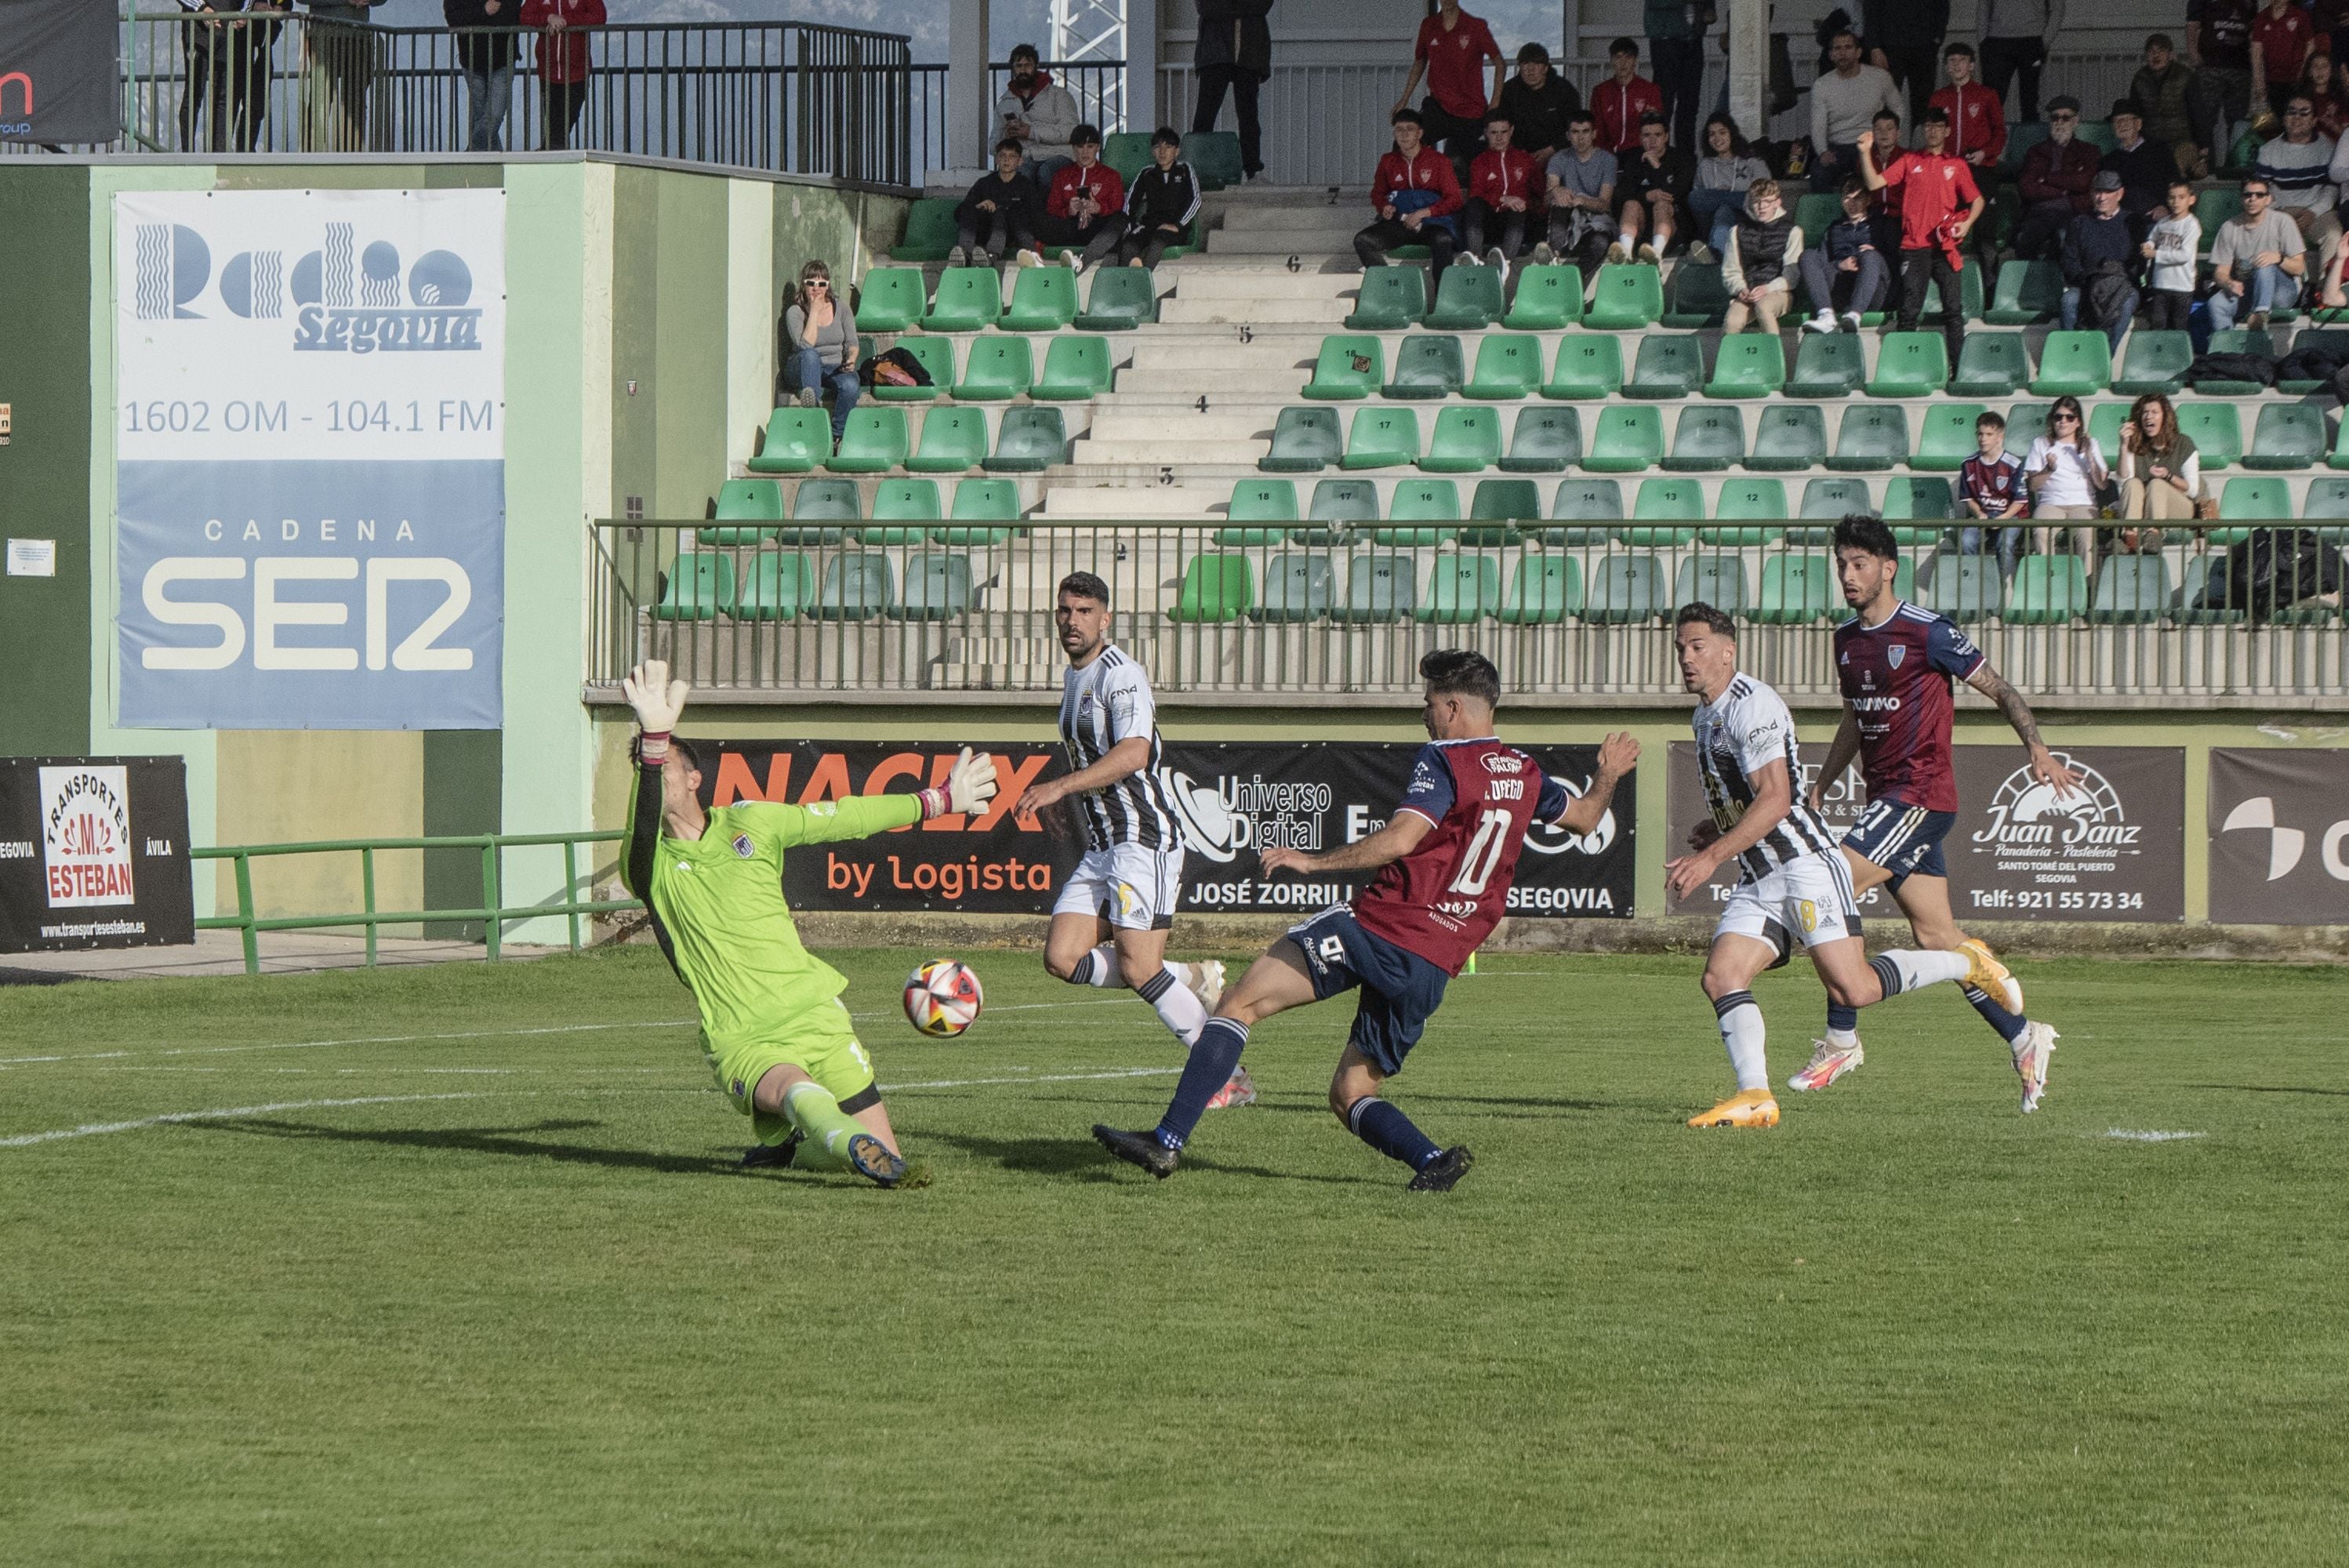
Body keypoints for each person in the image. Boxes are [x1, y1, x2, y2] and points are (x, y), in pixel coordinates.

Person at [1089, 649, 1638, 1187]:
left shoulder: (1445, 760)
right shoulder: (1524, 772)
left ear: (1451, 708)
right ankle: (1432, 1160)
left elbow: (1401, 840)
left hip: (1380, 929)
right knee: (1350, 1094)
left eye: (1427, 703)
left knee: (1238, 1004)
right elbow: (1588, 818)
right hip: (1433, 965)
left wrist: (1313, 861)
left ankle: (1167, 1142)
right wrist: (1608, 773)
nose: (1423, 715)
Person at [618, 659, 1000, 1188]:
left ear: (695, 777)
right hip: (742, 1033)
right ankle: (830, 1138)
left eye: (662, 766)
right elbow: (641, 826)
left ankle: (798, 1152)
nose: (652, 776)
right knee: (796, 1090)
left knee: (883, 1148)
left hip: (814, 1012)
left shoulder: (751, 821)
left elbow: (844, 816)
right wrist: (653, 742)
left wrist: (938, 800)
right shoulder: (649, 865)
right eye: (644, 772)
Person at [1666, 603, 2028, 1131]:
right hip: (1761, 874)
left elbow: (1776, 801)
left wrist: (1709, 858)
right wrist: (1716, 830)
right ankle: (1755, 1096)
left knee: (1855, 990)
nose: (1687, 658)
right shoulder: (1706, 715)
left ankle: (1964, 964)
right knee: (1722, 977)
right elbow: (1752, 803)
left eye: (1697, 647)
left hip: (1805, 865)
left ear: (1728, 651)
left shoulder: (1753, 704)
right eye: (1681, 648)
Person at [1794, 516, 2071, 1114]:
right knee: (1938, 937)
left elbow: (2001, 689)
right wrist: (1822, 782)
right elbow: (1854, 717)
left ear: (1888, 569)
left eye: (1860, 564)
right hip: (1886, 802)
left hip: (1920, 798)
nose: (1848, 575)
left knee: (1828, 886)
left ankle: (1842, 1039)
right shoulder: (1846, 640)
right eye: (1841, 564)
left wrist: (2037, 748)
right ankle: (2024, 1037)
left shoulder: (1927, 632)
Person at [1015, 573, 1251, 1113]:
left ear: (1106, 618)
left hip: (1143, 840)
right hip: (1103, 845)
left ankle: (1229, 1076)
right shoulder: (1076, 678)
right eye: (1065, 610)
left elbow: (1134, 754)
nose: (1072, 620)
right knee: (1062, 956)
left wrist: (1060, 786)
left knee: (1141, 966)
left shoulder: (1121, 676)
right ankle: (1194, 977)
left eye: (1085, 610)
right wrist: (1066, 800)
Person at [1858, 109, 1984, 365]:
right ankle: (1904, 366)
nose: (1933, 131)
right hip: (1914, 247)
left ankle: (1957, 369)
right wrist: (1863, 153)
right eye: (1928, 126)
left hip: (1945, 247)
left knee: (1953, 311)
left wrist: (1968, 223)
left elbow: (1978, 200)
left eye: (1938, 126)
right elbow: (1873, 184)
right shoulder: (1909, 160)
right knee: (1909, 311)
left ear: (1948, 131)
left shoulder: (1957, 165)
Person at [1394, 0, 1505, 165]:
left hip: (1470, 109)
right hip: (1438, 106)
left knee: (1478, 163)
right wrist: (1404, 98)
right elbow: (1420, 61)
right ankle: (1404, 188)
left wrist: (1494, 103)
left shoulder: (1475, 26)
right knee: (1405, 141)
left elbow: (1500, 63)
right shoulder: (1429, 25)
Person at [1357, 109, 1462, 275]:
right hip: (1401, 223)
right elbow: (1378, 194)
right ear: (1394, 133)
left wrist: (1424, 213)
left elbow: (1455, 199)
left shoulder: (1439, 161)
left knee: (1443, 240)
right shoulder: (1388, 161)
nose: (1404, 134)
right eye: (1399, 129)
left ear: (1420, 133)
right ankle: (1390, 285)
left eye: (1410, 129)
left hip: (1431, 223)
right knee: (1363, 240)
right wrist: (1384, 206)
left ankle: (1442, 294)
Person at [2206, 174, 2307, 328]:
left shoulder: (2283, 221)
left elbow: (2299, 268)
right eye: (2248, 195)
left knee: (2264, 264)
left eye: (2259, 195)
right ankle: (2225, 349)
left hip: (2283, 291)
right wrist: (2229, 284)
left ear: (2268, 199)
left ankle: (2260, 314)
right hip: (2248, 289)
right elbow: (2221, 273)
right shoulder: (2229, 227)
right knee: (2216, 303)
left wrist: (2278, 258)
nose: (2252, 199)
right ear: (2242, 198)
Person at [2259, 96, 2342, 279]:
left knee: (2334, 235)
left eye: (2304, 113)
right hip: (2280, 210)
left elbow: (2332, 189)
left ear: (2314, 121)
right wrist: (2279, 213)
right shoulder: (2268, 150)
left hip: (2317, 211)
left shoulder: (2327, 147)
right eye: (2292, 112)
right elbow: (2260, 191)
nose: (2297, 118)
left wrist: (2313, 212)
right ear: (2284, 118)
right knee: (2262, 229)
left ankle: (2323, 291)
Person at [2023, 395, 2110, 568]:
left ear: (2078, 422)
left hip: (2084, 504)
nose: (2063, 422)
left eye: (2070, 417)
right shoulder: (2041, 443)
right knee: (2040, 531)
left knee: (2087, 534)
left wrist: (2090, 457)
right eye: (2058, 417)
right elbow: (2033, 486)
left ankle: (2087, 588)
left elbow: (2102, 484)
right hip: (2051, 504)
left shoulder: (2091, 443)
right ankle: (2046, 583)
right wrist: (2049, 468)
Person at [1798, 174, 1893, 332]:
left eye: (1858, 198)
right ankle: (1826, 315)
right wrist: (1839, 265)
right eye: (1847, 199)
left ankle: (1854, 316)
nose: (1852, 204)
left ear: (1868, 200)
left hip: (1873, 290)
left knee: (1870, 256)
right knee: (1808, 255)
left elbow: (1894, 261)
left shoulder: (1882, 224)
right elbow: (1822, 263)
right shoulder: (1835, 228)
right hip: (1841, 288)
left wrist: (1875, 255)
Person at [2060, 171, 2144, 351]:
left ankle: (2103, 357)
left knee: (2126, 303)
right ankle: (2071, 353)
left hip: (2122, 285)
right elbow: (2069, 259)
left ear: (2120, 194)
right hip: (2087, 284)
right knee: (2069, 300)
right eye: (2097, 192)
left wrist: (2117, 281)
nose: (2101, 197)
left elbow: (2138, 263)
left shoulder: (2133, 222)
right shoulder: (2080, 222)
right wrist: (2088, 281)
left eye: (2107, 192)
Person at [1191, 0, 1273, 182]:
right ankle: (1196, 169)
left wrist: (1227, 6)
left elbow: (1263, 6)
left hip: (1248, 54)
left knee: (1248, 115)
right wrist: (1243, 8)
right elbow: (1206, 7)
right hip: (1216, 54)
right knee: (1206, 114)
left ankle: (1253, 169)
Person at [2013, 96, 2100, 260]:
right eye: (2055, 118)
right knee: (2025, 240)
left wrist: (2045, 178)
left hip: (2073, 212)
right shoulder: (2036, 152)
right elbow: (2027, 188)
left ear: (2075, 122)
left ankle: (2064, 284)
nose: (2059, 122)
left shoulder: (2088, 151)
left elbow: (2083, 183)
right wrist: (2066, 190)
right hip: (2040, 212)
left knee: (2065, 239)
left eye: (2065, 118)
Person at [1030, 124, 1125, 272]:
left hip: (1094, 229)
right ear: (1073, 149)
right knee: (1030, 213)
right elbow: (1052, 208)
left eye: (1090, 146)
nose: (1085, 152)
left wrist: (1098, 208)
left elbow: (1117, 206)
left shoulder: (1111, 176)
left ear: (1098, 148)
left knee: (1121, 219)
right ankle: (1033, 254)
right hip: (1068, 228)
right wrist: (1068, 211)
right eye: (1080, 147)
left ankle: (1082, 260)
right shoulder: (1062, 175)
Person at [783, 260, 859, 445]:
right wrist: (814, 312)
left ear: (828, 285)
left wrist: (851, 359)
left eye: (821, 284)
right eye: (811, 283)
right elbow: (805, 345)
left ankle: (835, 437)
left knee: (850, 385)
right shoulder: (795, 312)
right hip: (802, 367)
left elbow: (852, 342)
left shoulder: (841, 308)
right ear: (804, 285)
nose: (816, 289)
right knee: (811, 355)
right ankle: (815, 411)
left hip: (834, 367)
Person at [1811, 28, 1904, 180]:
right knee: (1818, 172)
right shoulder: (1822, 85)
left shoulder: (1880, 78)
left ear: (1858, 52)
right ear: (1831, 55)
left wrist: (1890, 138)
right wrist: (1823, 152)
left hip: (1873, 146)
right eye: (1838, 48)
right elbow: (1818, 125)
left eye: (1848, 47)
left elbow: (1897, 107)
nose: (1843, 53)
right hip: (1838, 147)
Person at [1535, 111, 1618, 274]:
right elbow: (1546, 201)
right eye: (1575, 132)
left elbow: (1604, 204)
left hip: (1596, 221)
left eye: (1585, 132)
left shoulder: (1608, 160)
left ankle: (1575, 280)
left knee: (1600, 243)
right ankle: (1553, 256)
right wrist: (1556, 192)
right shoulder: (1558, 158)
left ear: (1594, 134)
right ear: (1568, 135)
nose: (1580, 138)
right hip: (1566, 219)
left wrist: (1582, 200)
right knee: (1560, 200)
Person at [1111, 127, 1206, 270]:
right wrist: (1129, 227)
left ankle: (1142, 282)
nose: (1162, 152)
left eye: (1168, 147)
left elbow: (1196, 200)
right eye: (1157, 147)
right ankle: (1124, 285)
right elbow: (1130, 203)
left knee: (1157, 242)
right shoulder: (1146, 173)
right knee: (1129, 245)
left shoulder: (1185, 169)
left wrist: (1178, 225)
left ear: (1177, 151)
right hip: (1149, 225)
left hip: (1175, 228)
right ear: (1152, 151)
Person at [1460, 110, 1541, 274]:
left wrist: (1523, 203)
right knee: (1475, 204)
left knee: (1518, 208)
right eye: (1494, 133)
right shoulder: (1479, 162)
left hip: (1519, 222)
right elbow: (1476, 194)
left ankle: (1504, 264)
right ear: (1486, 134)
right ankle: (1475, 260)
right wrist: (1503, 198)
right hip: (1491, 221)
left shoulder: (1525, 160)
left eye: (1504, 132)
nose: (1499, 137)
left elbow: (1539, 194)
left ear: (1511, 131)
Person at [1721, 177, 1804, 332]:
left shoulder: (1793, 231)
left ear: (1777, 203)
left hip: (1778, 292)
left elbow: (1792, 275)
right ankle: (1730, 356)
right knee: (1732, 321)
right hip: (1749, 293)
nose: (1762, 207)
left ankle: (1773, 355)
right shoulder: (1737, 231)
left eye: (1767, 201)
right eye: (1757, 201)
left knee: (1764, 308)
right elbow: (1730, 270)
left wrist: (1768, 288)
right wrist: (1741, 289)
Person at [1686, 111, 1771, 263]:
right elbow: (1699, 202)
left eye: (1722, 132)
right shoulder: (1705, 166)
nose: (1717, 138)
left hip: (1747, 222)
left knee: (1725, 208)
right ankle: (1718, 248)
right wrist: (1735, 197)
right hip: (1712, 223)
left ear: (1732, 134)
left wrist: (1722, 197)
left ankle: (1715, 252)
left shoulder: (1752, 162)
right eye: (1712, 134)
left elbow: (1765, 195)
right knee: (1700, 199)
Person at [1610, 114, 1694, 263]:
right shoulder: (1633, 158)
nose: (1652, 140)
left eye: (1658, 135)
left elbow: (1677, 193)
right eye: (1647, 135)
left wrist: (1656, 166)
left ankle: (1656, 253)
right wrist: (1647, 196)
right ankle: (1625, 253)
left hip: (1670, 226)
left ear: (1666, 136)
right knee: (1631, 204)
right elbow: (1623, 193)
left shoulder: (1681, 158)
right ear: (1641, 138)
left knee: (1662, 204)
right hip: (1640, 225)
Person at [1958, 409, 2031, 579]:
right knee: (1966, 541)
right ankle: (1975, 584)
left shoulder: (2014, 464)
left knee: (2004, 543)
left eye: (1989, 434)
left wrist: (2004, 518)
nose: (1983, 439)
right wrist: (1979, 514)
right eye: (1980, 434)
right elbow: (1968, 498)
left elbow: (2020, 501)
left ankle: (2000, 586)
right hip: (1983, 515)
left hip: (2011, 516)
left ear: (2000, 436)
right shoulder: (1969, 463)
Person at [301, 0, 383, 152]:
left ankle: (352, 153)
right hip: (324, 35)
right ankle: (311, 153)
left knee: (355, 100)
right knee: (321, 97)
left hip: (359, 35)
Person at [2187, 0, 2260, 167]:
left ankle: (2234, 165)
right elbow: (2192, 23)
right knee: (2204, 120)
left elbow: (2254, 27)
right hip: (2210, 65)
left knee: (2238, 123)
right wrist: (2192, 51)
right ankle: (2205, 166)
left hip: (2240, 67)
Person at [949, 140, 1044, 267]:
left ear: (1020, 161)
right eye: (1002, 156)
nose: (1006, 160)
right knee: (971, 209)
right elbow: (959, 212)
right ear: (996, 160)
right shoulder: (984, 183)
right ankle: (963, 255)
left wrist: (1004, 208)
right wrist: (980, 205)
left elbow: (1035, 214)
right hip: (985, 231)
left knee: (1004, 213)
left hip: (1011, 233)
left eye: (1012, 156)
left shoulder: (1026, 185)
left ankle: (991, 256)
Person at [519, 0, 599, 151]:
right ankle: (551, 152)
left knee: (567, 118)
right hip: (548, 71)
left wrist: (565, 21)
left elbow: (599, 16)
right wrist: (548, 18)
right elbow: (524, 15)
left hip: (577, 71)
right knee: (554, 121)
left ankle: (548, 151)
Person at [997, 44, 1079, 183]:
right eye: (1019, 66)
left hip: (1058, 154)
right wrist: (1006, 137)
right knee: (1019, 175)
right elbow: (994, 142)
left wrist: (1031, 132)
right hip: (1024, 157)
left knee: (1046, 173)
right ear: (1013, 69)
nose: (1023, 70)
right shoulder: (1004, 104)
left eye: (1027, 65)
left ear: (1036, 66)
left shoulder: (1059, 96)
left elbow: (1072, 132)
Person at [1861, 0, 1951, 125]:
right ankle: (1886, 143)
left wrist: (1937, 38)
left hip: (1924, 46)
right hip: (1889, 47)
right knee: (1886, 103)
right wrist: (1874, 47)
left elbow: (1943, 7)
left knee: (1924, 103)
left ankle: (1921, 143)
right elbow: (1871, 11)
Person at [2117, 393, 2202, 522]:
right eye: (2145, 412)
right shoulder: (2134, 442)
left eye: (2154, 412)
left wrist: (2168, 476)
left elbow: (2193, 490)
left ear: (2165, 417)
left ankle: (2154, 534)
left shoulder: (2184, 443)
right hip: (2143, 506)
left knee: (2157, 484)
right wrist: (2124, 447)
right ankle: (2131, 536)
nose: (2148, 417)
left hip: (2179, 507)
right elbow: (2124, 483)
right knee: (2133, 484)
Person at [445, 0, 516, 152]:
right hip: (472, 62)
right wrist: (483, 11)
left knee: (494, 115)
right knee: (483, 117)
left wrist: (478, 17)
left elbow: (514, 13)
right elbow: (453, 18)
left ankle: (473, 151)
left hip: (502, 60)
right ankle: (491, 156)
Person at [1496, 41, 1581, 167]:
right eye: (1525, 64)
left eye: (1536, 64)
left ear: (1546, 68)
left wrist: (1552, 149)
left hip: (1558, 152)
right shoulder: (1509, 91)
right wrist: (1520, 153)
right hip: (1518, 155)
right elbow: (1501, 124)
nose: (1531, 70)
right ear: (1520, 67)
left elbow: (1576, 126)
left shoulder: (1563, 89)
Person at [1645, 0, 1713, 152]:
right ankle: (1660, 155)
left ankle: (1686, 159)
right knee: (1664, 103)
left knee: (1689, 104)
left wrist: (1709, 8)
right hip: (1666, 39)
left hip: (1693, 39)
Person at [2134, 33, 2205, 178]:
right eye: (2151, 51)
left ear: (2171, 54)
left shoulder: (2186, 76)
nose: (2156, 55)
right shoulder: (2140, 79)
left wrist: (2203, 147)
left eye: (2161, 50)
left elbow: (2198, 114)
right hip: (2151, 143)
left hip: (2182, 141)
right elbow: (2135, 112)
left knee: (2177, 171)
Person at [1929, 42, 2007, 172]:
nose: (1956, 64)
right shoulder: (1938, 97)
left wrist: (1985, 152)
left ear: (1971, 66)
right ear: (1946, 67)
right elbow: (1932, 131)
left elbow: (2000, 131)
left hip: (1980, 164)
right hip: (1947, 165)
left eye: (1962, 60)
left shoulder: (1987, 95)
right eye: (1952, 60)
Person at [1977, 0, 2060, 122]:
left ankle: (2030, 139)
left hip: (2032, 40)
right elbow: (1984, 5)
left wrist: (2044, 42)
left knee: (2030, 101)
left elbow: (2057, 8)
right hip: (1997, 40)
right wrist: (1983, 41)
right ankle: (1988, 140)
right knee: (1991, 102)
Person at [2104, 102, 2176, 237]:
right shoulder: (2109, 160)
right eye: (2117, 121)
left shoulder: (2159, 150)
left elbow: (2174, 181)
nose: (2121, 125)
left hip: (2157, 215)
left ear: (2138, 124)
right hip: (2124, 218)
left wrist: (2165, 206)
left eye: (2126, 120)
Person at [2142, 179, 2204, 330]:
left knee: (2178, 327)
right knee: (2157, 324)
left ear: (2191, 199)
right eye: (2172, 197)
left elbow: (2184, 256)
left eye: (2181, 197)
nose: (2176, 202)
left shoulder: (2192, 225)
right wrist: (2148, 245)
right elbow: (2152, 238)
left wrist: (2155, 254)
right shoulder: (2163, 222)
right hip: (2161, 284)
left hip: (2182, 287)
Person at [1593, 37, 1664, 157]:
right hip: (1607, 154)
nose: (1623, 63)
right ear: (1611, 60)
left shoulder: (1650, 90)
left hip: (1640, 153)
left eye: (1628, 57)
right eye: (1618, 57)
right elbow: (1597, 128)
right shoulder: (1600, 92)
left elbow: (1656, 126)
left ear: (1635, 60)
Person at [2252, 0, 2317, 118]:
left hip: (2296, 81)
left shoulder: (2300, 15)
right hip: (2272, 80)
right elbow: (2256, 51)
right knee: (2273, 123)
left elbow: (2310, 45)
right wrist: (2259, 82)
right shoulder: (2262, 17)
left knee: (2295, 118)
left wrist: (2303, 71)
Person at [2298, 49, 2349, 140]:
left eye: (2324, 66)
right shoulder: (2301, 99)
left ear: (2331, 71)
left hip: (2338, 148)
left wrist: (2333, 125)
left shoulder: (2341, 98)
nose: (2320, 70)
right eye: (2315, 66)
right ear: (2309, 72)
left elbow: (2346, 135)